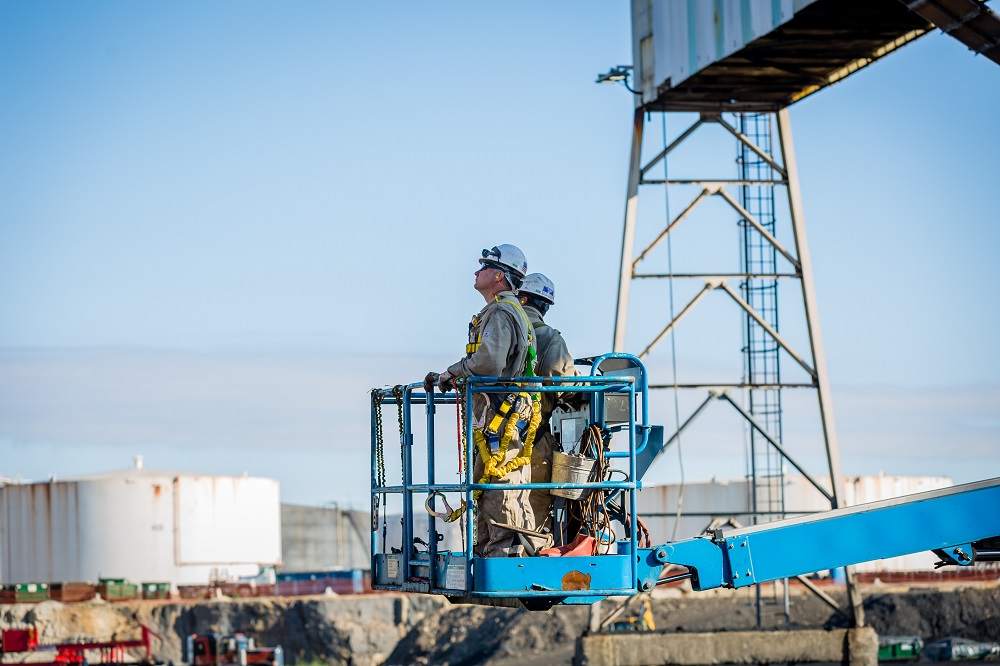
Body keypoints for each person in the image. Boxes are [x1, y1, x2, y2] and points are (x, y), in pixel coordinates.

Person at [423, 244, 538, 557]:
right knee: (488, 481)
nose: (476, 271)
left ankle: (506, 552)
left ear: (499, 276)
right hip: (500, 409)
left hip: (502, 411)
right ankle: (491, 548)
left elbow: (488, 364)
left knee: (498, 482)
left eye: (484, 267)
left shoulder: (501, 312)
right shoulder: (503, 310)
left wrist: (451, 373)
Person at [517, 273, 577, 529]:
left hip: (487, 443)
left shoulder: (492, 330)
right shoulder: (548, 337)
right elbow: (564, 385)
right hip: (531, 443)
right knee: (534, 510)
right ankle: (531, 559)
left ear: (521, 298)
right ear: (545, 306)